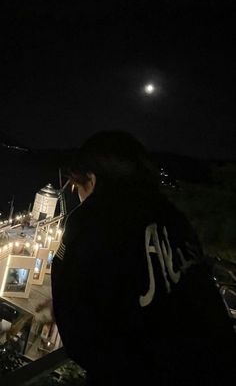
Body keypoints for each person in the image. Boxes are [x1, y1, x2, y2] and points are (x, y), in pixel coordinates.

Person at [50, 131, 235, 385]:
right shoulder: (173, 216)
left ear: (91, 178)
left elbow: (72, 314)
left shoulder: (92, 218)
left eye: (77, 186)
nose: (79, 195)